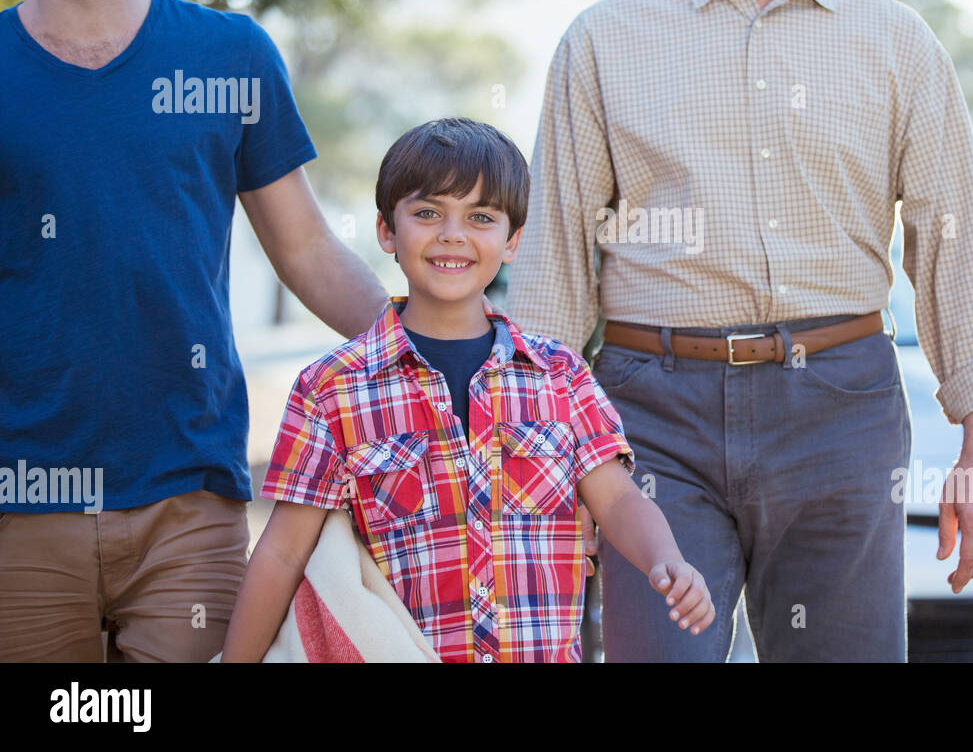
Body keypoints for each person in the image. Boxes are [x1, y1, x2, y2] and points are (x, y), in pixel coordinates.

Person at [506, 0, 973, 662]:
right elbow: (557, 262)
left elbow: (954, 243)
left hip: (842, 410)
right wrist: (528, 452)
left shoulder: (895, 42)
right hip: (650, 425)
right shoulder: (603, 43)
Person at [0, 0, 390, 662]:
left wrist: (426, 350)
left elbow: (307, 250)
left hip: (189, 497)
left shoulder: (229, 56)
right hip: (19, 499)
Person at [221, 118, 714, 663]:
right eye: (428, 213)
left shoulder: (561, 376)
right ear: (387, 230)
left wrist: (665, 558)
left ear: (512, 241)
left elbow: (618, 497)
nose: (453, 234)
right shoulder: (332, 389)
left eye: (481, 217)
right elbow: (283, 551)